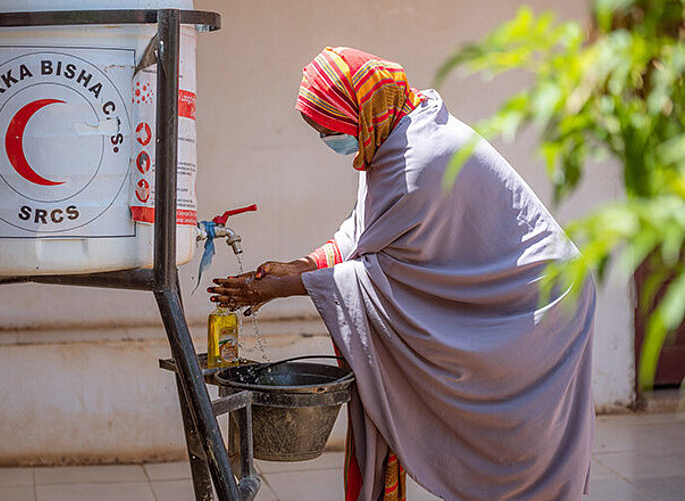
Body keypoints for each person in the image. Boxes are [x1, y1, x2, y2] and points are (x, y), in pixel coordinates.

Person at [209, 47, 596, 501]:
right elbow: (364, 233)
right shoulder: (390, 135)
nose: (325, 139)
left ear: (359, 111)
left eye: (328, 129)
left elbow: (377, 275)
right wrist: (301, 266)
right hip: (512, 297)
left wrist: (282, 288)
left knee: (518, 447)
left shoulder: (420, 160)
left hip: (534, 304)